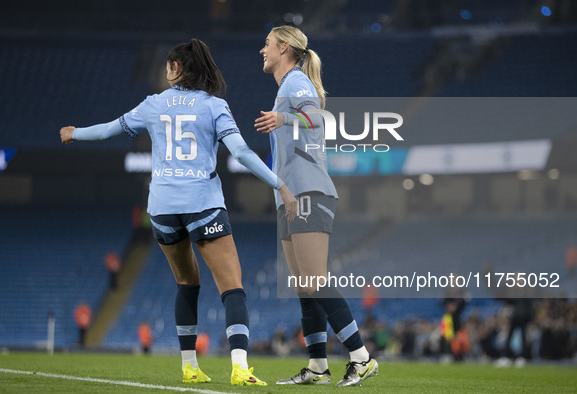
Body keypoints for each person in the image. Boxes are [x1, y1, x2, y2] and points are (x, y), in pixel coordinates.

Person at [60, 38, 297, 386]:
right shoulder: (215, 106)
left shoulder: (153, 104)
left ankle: (189, 367)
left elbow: (111, 129)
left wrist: (75, 133)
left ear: (176, 69)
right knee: (232, 287)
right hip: (202, 204)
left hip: (162, 210)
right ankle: (240, 368)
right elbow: (243, 153)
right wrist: (280, 185)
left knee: (187, 285)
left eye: (167, 65)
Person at [254, 25, 378, 386]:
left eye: (267, 44)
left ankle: (361, 357)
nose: (262, 50)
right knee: (305, 287)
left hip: (308, 191)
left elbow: (316, 118)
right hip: (291, 196)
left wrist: (284, 117)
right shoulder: (287, 87)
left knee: (314, 280)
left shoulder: (295, 84)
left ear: (285, 48)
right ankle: (318, 368)